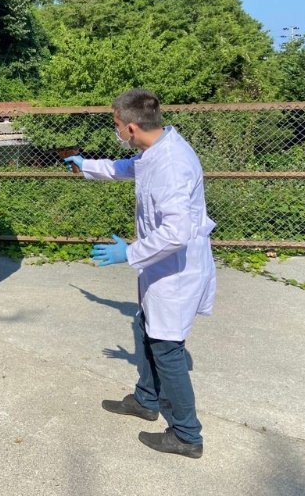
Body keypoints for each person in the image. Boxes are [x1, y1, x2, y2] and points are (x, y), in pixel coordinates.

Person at [64, 89, 216, 459]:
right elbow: (127, 168)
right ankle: (146, 400)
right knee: (145, 326)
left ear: (131, 127)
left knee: (167, 349)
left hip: (175, 271)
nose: (116, 131)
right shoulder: (156, 150)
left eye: (116, 125)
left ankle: (187, 435)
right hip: (160, 266)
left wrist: (129, 253)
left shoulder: (171, 165)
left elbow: (177, 233)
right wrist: (86, 165)